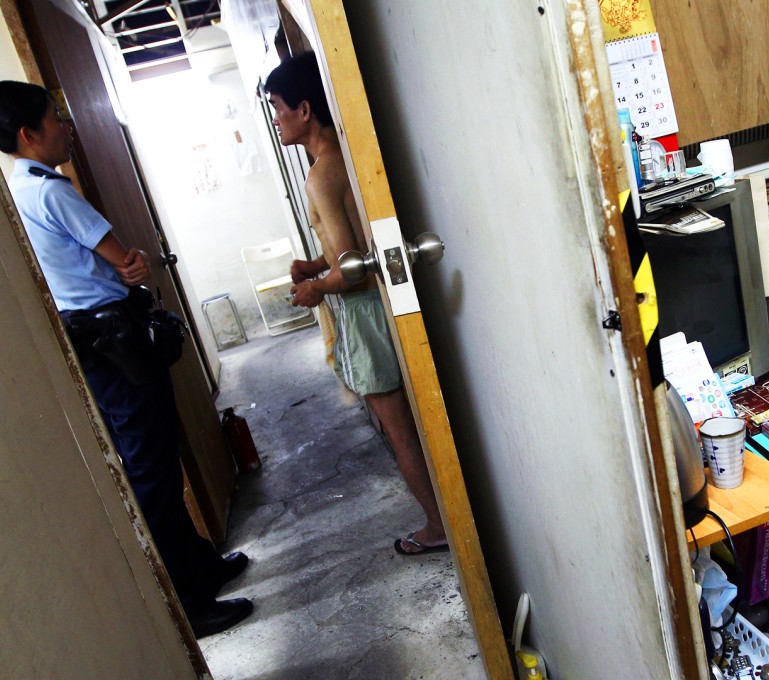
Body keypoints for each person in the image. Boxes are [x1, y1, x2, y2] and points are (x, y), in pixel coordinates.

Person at [0, 80, 253, 638]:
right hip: (114, 341)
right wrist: (131, 264)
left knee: (154, 462)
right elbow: (126, 260)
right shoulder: (50, 190)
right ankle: (190, 604)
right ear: (28, 134)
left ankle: (200, 565)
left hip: (94, 344)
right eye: (55, 119)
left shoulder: (16, 193)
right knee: (153, 472)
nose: (65, 127)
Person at [264, 54, 447, 555]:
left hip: (363, 311)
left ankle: (437, 527)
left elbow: (352, 269)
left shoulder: (322, 173)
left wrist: (316, 287)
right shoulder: (344, 158)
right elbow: (345, 249)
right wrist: (313, 264)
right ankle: (444, 516)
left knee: (399, 431)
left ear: (304, 109)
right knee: (411, 422)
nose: (276, 119)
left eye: (279, 108)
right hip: (376, 305)